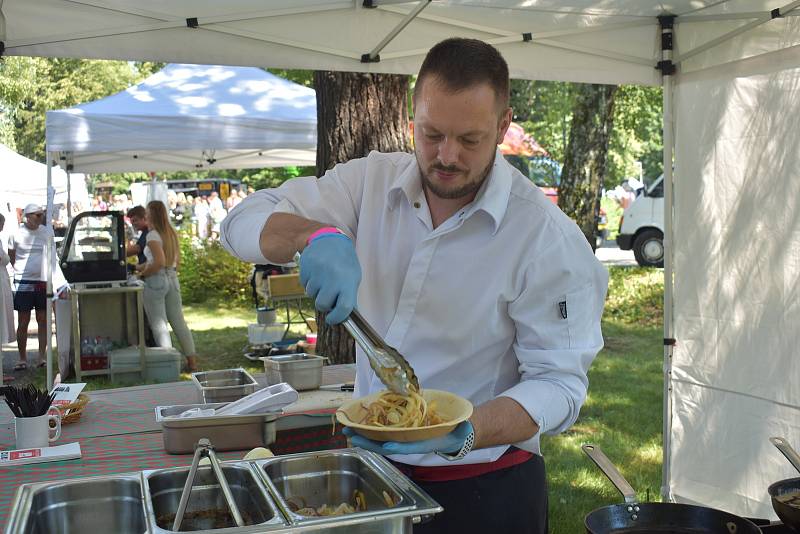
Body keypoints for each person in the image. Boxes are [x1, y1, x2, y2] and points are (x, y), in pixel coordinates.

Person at [221, 38, 607, 533]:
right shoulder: (368, 186)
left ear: (503, 127)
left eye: (469, 139)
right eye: (431, 134)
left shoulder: (545, 237)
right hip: (372, 473)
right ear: (411, 120)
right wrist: (311, 234)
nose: (446, 156)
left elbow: (560, 385)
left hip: (487, 485)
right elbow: (241, 222)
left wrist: (463, 432)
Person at [136, 201, 198, 372]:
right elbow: (171, 261)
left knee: (159, 325)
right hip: (172, 278)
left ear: (151, 214)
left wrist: (143, 273)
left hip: (156, 281)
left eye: (147, 213)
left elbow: (158, 262)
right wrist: (143, 267)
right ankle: (192, 361)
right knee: (178, 321)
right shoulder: (170, 233)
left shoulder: (153, 235)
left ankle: (170, 364)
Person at [8, 204, 54, 371]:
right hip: (23, 281)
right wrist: (22, 271)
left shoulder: (46, 232)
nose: (40, 218)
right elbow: (12, 256)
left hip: (42, 281)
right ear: (27, 216)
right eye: (37, 215)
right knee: (23, 320)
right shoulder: (16, 233)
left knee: (43, 319)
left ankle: (42, 356)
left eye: (41, 215)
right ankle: (22, 358)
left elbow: (51, 254)